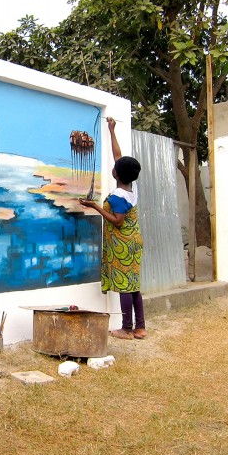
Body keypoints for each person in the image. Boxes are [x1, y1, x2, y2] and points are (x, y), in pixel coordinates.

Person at [79, 117, 145, 340]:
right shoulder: (130, 187)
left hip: (123, 243)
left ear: (117, 173)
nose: (114, 166)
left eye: (115, 167)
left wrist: (94, 206)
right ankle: (140, 327)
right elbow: (119, 156)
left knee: (124, 286)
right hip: (134, 240)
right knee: (134, 284)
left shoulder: (118, 196)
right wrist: (111, 130)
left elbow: (117, 220)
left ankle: (126, 328)